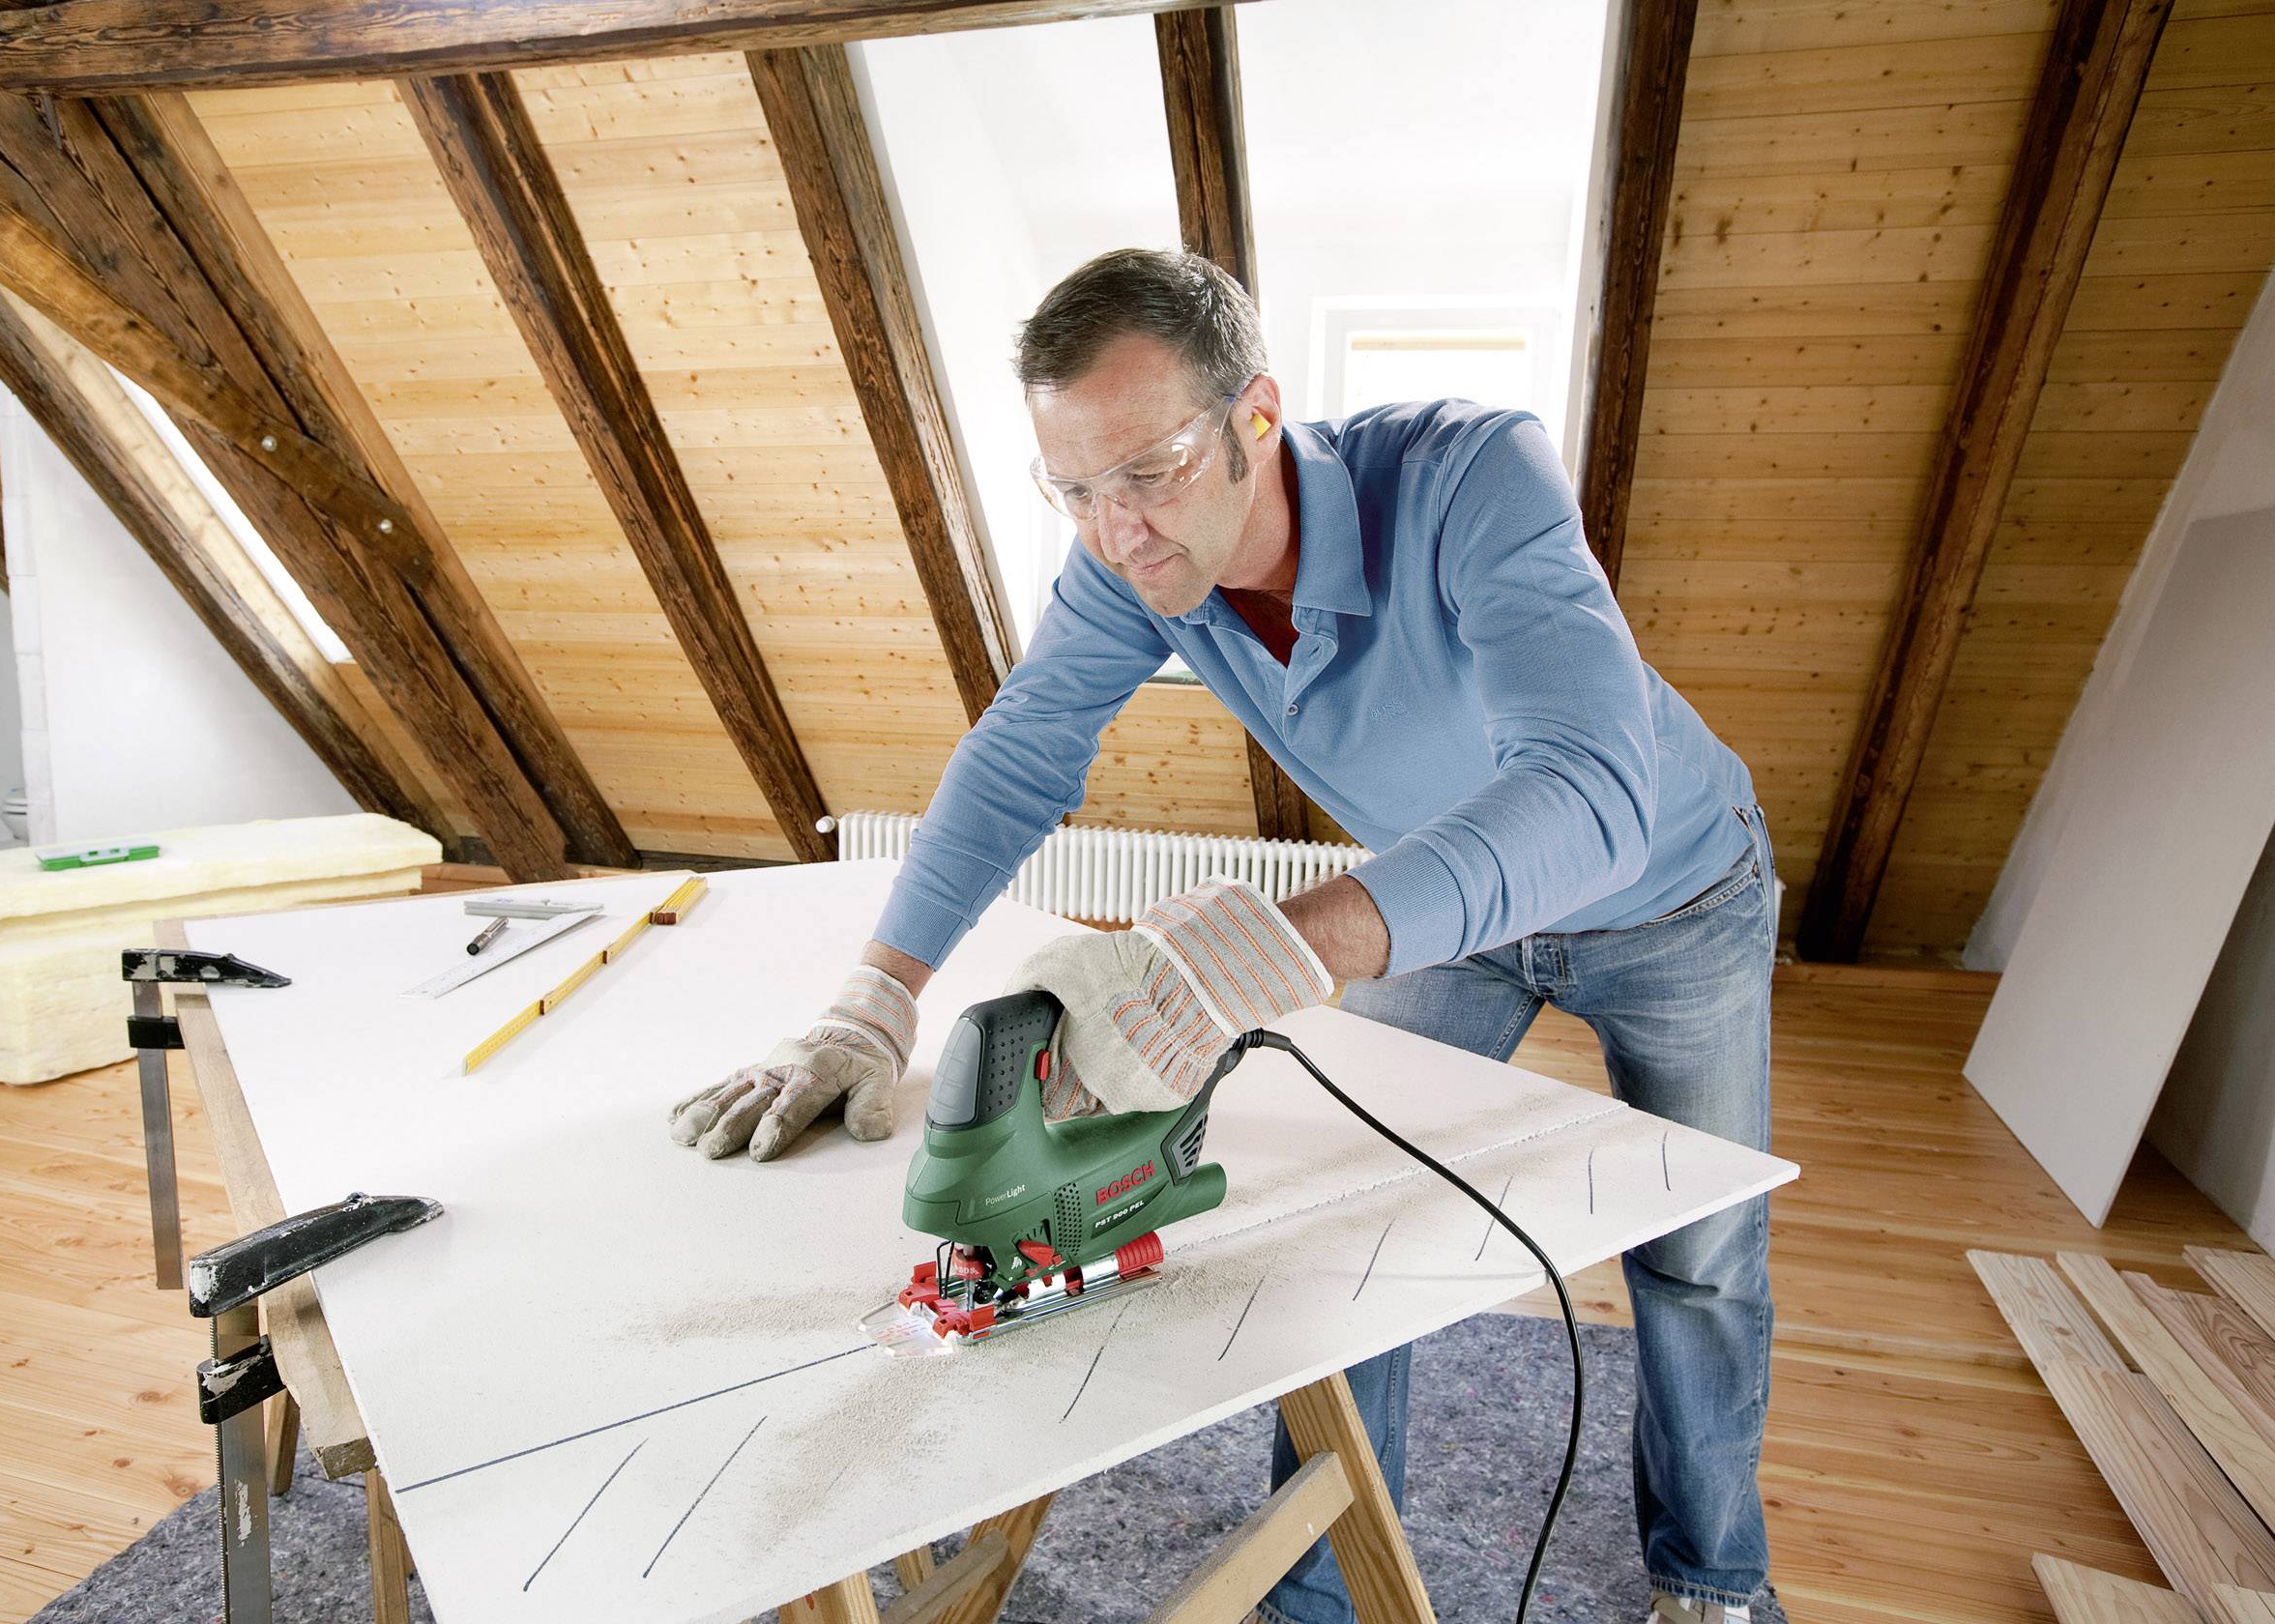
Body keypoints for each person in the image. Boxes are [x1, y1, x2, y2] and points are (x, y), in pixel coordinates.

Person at [669, 248, 1775, 1624]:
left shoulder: (1474, 475)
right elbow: (1022, 756)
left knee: (1700, 1260)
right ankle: (1314, 1589)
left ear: (1256, 416)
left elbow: (1593, 795)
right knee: (1343, 1228)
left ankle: (1713, 1582)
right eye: (1072, 491)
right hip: (1446, 916)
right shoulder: (1132, 565)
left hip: (1673, 898)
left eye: (1148, 472)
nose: (1117, 530)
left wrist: (1286, 944)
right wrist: (874, 999)